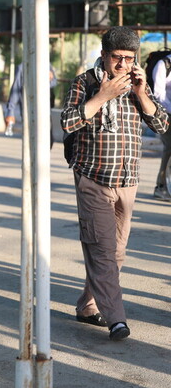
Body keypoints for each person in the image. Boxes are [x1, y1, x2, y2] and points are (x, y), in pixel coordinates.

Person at [60, 26, 168, 341]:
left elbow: (161, 124)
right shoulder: (85, 82)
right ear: (104, 55)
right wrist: (102, 96)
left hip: (128, 181)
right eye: (117, 58)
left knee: (116, 251)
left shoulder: (137, 84)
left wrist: (141, 94)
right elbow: (67, 121)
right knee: (103, 250)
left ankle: (87, 306)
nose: (122, 65)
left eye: (129, 59)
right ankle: (116, 319)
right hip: (93, 178)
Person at [4, 63, 58, 147]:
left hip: (45, 110)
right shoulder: (23, 67)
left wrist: (50, 79)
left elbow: (54, 82)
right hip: (29, 111)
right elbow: (15, 89)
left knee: (48, 141)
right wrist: (10, 112)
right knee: (32, 141)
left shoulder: (46, 64)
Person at [151, 52, 171, 201]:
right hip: (166, 114)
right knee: (169, 148)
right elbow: (158, 95)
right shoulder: (163, 65)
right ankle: (161, 186)